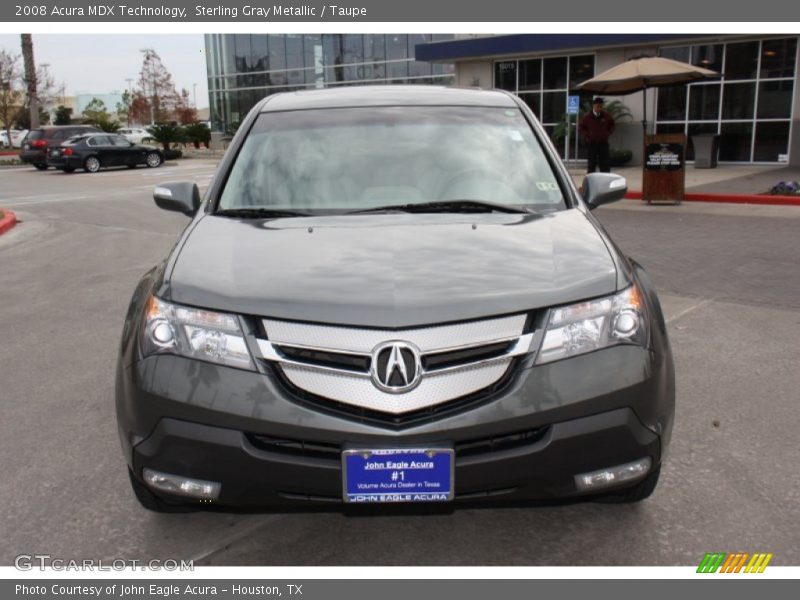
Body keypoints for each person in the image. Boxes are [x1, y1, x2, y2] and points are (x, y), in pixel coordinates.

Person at [579, 97, 616, 173]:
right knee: (591, 164)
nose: (599, 108)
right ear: (593, 106)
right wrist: (587, 135)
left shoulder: (606, 115)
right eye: (597, 106)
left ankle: (606, 179)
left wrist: (608, 133)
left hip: (603, 143)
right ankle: (591, 180)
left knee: (605, 164)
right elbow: (581, 127)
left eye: (600, 107)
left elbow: (612, 124)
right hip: (592, 143)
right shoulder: (587, 117)